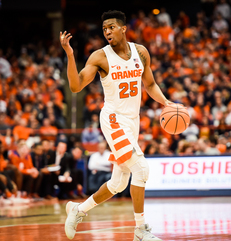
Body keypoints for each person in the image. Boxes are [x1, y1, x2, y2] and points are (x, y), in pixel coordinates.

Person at [60, 10, 174, 241]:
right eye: (104, 29)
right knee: (141, 169)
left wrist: (166, 102)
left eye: (111, 27)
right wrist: (70, 55)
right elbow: (75, 86)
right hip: (113, 119)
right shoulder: (99, 57)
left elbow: (150, 85)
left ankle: (77, 210)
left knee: (118, 183)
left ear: (123, 28)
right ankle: (140, 230)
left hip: (132, 121)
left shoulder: (140, 52)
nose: (107, 32)